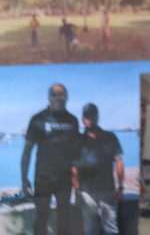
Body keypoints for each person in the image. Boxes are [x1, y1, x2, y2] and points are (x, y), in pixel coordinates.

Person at [21, 83, 79, 235]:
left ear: (67, 97)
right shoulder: (37, 119)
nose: (58, 98)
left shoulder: (72, 121)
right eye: (54, 94)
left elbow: (77, 153)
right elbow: (27, 151)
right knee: (42, 217)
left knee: (64, 218)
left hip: (65, 180)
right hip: (43, 179)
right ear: (49, 97)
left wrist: (79, 178)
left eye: (62, 94)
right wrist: (24, 178)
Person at [72, 103, 124, 235]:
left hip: (108, 192)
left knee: (110, 229)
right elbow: (74, 169)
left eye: (93, 116)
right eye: (87, 117)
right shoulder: (78, 141)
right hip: (86, 194)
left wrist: (121, 188)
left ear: (97, 117)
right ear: (83, 119)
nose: (90, 119)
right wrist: (77, 192)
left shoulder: (110, 137)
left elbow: (119, 162)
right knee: (90, 230)